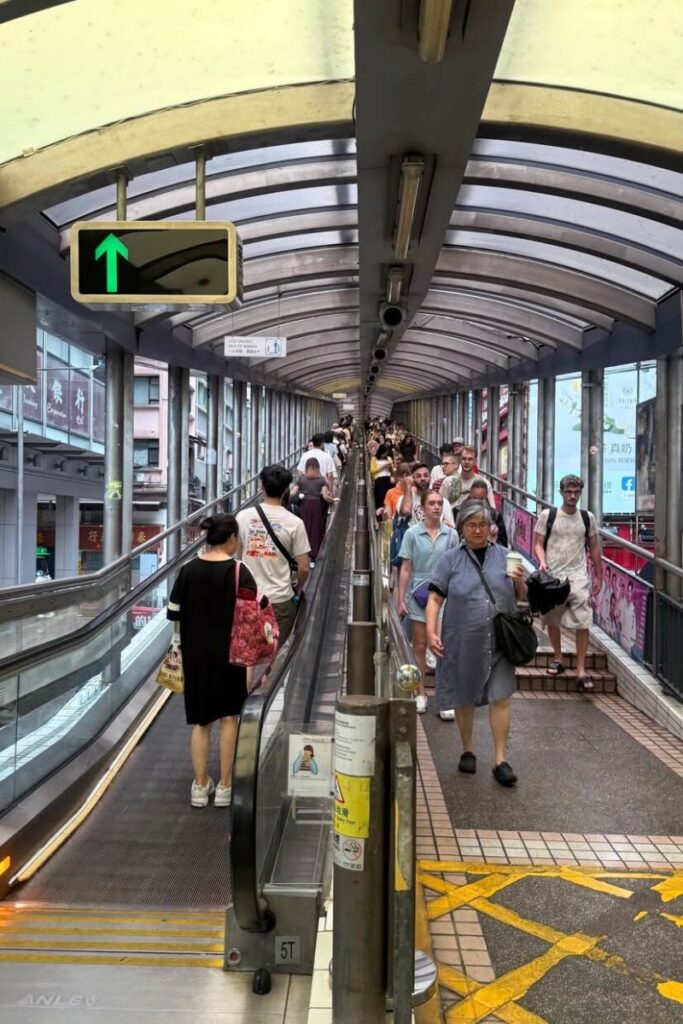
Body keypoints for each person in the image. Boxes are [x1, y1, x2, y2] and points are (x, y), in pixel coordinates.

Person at [425, 501, 528, 786]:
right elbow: (435, 598)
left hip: (499, 641)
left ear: (490, 528)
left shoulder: (506, 556)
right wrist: (433, 631)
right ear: (461, 529)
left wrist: (519, 582)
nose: (478, 531)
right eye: (471, 525)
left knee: (501, 697)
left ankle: (500, 760)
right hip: (462, 638)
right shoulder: (450, 560)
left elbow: (521, 596)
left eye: (483, 525)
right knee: (465, 695)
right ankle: (468, 749)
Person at [167, 514, 257, 808]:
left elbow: (174, 614)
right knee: (229, 718)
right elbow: (250, 620)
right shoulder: (239, 572)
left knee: (201, 721)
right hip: (230, 656)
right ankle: (225, 787)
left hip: (196, 656)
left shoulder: (188, 571)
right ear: (231, 538)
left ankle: (200, 785)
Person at [533, 474, 602, 692]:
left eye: (576, 492)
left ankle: (581, 669)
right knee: (553, 619)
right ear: (561, 492)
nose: (572, 496)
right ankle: (558, 657)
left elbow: (594, 546)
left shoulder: (587, 517)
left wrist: (598, 574)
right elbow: (538, 543)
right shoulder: (548, 515)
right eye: (569, 492)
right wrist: (542, 561)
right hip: (553, 576)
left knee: (583, 621)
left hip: (578, 577)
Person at [236, 465, 310, 644]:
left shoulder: (243, 517)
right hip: (280, 600)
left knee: (249, 652)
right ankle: (271, 673)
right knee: (274, 653)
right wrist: (296, 590)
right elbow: (304, 568)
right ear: (286, 490)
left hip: (249, 598)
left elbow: (237, 558)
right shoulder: (295, 523)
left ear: (262, 487)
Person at [397, 490, 453, 714]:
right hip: (418, 593)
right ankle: (421, 693)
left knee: (440, 647)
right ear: (423, 507)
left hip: (443, 595)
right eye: (432, 503)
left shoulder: (450, 534)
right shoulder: (412, 534)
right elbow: (406, 568)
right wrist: (400, 599)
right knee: (419, 646)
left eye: (440, 503)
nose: (437, 507)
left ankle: (444, 697)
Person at [292, 457, 334, 563]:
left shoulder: (302, 479)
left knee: (303, 529)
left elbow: (292, 492)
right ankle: (313, 556)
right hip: (316, 507)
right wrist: (332, 500)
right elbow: (325, 496)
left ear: (306, 468)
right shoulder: (322, 480)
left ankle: (300, 555)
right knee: (315, 530)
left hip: (303, 506)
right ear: (317, 468)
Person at [397, 463, 455, 528]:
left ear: (430, 477)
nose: (423, 478)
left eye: (426, 475)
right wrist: (408, 486)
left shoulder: (442, 501)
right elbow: (405, 511)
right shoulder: (403, 500)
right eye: (418, 476)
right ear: (413, 479)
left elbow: (452, 529)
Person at [461, 478, 507, 546]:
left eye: (481, 499)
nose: (477, 502)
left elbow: (503, 544)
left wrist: (492, 542)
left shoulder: (495, 516)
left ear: (486, 496)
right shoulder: (459, 512)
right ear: (470, 494)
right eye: (475, 498)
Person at [370, 443, 394, 509]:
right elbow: (372, 471)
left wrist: (391, 468)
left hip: (388, 480)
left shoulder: (389, 458)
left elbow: (393, 470)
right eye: (384, 453)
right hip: (379, 481)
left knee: (388, 498)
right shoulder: (374, 459)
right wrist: (382, 467)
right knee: (380, 499)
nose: (385, 454)